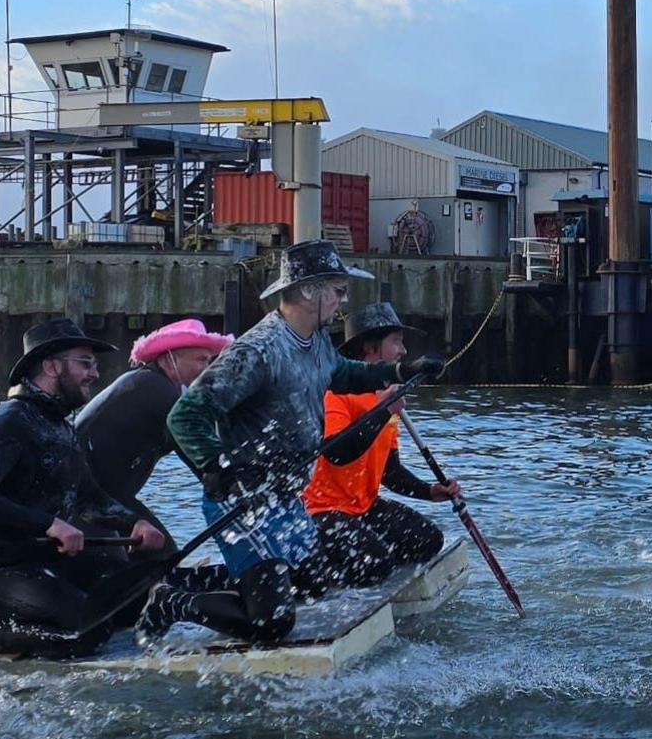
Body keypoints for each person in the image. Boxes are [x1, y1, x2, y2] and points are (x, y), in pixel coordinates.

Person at [166, 242, 444, 604]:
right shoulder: (258, 350)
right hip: (245, 500)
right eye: (339, 292)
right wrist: (220, 469)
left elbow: (345, 373)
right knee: (272, 619)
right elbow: (184, 416)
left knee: (313, 585)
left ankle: (190, 582)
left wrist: (400, 371)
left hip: (284, 496)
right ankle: (172, 604)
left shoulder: (316, 343)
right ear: (311, 292)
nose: (343, 302)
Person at [0, 319, 186, 658]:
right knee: (87, 630)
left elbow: (89, 497)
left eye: (93, 365)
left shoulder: (61, 427)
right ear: (50, 366)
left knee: (141, 599)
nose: (94, 374)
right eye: (84, 363)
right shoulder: (7, 422)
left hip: (43, 559)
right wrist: (48, 524)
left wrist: (132, 523)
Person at [304, 303, 462, 587]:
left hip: (363, 507)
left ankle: (365, 567)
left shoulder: (385, 396)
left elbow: (390, 472)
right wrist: (382, 411)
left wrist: (430, 491)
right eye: (396, 342)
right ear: (371, 348)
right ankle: (325, 574)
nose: (403, 351)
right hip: (322, 512)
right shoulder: (336, 393)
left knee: (428, 541)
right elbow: (337, 453)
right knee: (376, 563)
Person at [74, 318, 234, 535]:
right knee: (161, 553)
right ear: (171, 358)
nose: (207, 369)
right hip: (87, 498)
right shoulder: (155, 389)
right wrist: (234, 488)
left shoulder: (152, 383)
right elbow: (197, 455)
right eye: (200, 360)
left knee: (159, 550)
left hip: (104, 494)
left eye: (209, 361)